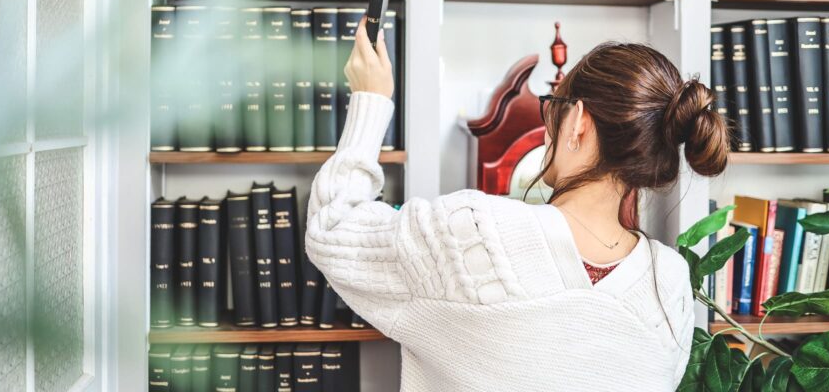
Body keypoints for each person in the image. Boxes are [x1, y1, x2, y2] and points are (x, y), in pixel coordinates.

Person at [306, 19, 730, 391]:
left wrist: (371, 99)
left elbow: (333, 227)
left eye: (554, 109)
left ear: (578, 121)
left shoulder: (473, 232)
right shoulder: (670, 283)